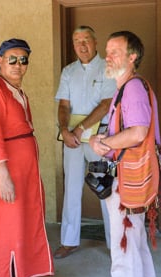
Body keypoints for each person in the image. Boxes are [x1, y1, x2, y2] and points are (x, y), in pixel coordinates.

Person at [0, 38, 54, 277]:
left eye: (23, 60)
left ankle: (22, 272)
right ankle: (6, 275)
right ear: (0, 60)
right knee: (7, 227)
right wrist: (3, 177)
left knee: (22, 223)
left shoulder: (16, 89)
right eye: (12, 59)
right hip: (6, 170)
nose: (17, 64)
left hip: (23, 170)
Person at [89, 31, 158, 277]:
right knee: (135, 244)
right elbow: (122, 130)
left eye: (114, 52)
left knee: (123, 248)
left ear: (132, 57)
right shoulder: (127, 88)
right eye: (107, 52)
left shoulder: (133, 89)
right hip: (130, 177)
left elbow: (138, 132)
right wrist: (99, 139)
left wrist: (104, 142)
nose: (108, 57)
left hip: (128, 179)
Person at [54, 25, 115, 258]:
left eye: (86, 39)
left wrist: (80, 129)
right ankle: (69, 241)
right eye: (77, 41)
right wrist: (64, 129)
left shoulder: (106, 68)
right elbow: (63, 105)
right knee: (71, 187)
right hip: (72, 140)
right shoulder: (69, 71)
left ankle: (113, 243)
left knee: (105, 187)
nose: (82, 45)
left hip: (99, 139)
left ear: (95, 42)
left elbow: (106, 104)